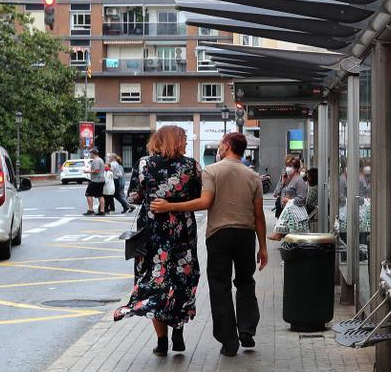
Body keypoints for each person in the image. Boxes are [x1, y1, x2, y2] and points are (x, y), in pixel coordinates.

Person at [152, 132, 267, 357]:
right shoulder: (253, 176)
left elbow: (205, 202)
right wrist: (262, 246)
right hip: (245, 235)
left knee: (220, 286)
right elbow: (259, 215)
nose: (218, 149)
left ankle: (228, 340)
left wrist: (170, 207)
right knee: (245, 282)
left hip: (219, 235)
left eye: (220, 145)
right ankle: (247, 330)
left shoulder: (212, 171)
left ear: (226, 146)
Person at [113, 126, 202, 356]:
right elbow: (198, 196)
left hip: (153, 229)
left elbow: (133, 197)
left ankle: (162, 342)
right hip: (182, 229)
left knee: (155, 281)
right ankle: (178, 333)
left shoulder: (144, 164)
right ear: (175, 141)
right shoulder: (191, 166)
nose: (185, 144)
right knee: (181, 279)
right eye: (183, 140)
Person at [83, 149, 107, 216]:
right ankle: (102, 211)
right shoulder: (101, 160)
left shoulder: (96, 161)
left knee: (88, 194)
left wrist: (87, 171)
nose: (90, 155)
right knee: (100, 195)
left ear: (93, 153)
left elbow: (96, 171)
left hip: (96, 180)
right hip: (101, 179)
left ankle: (91, 210)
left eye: (90, 153)